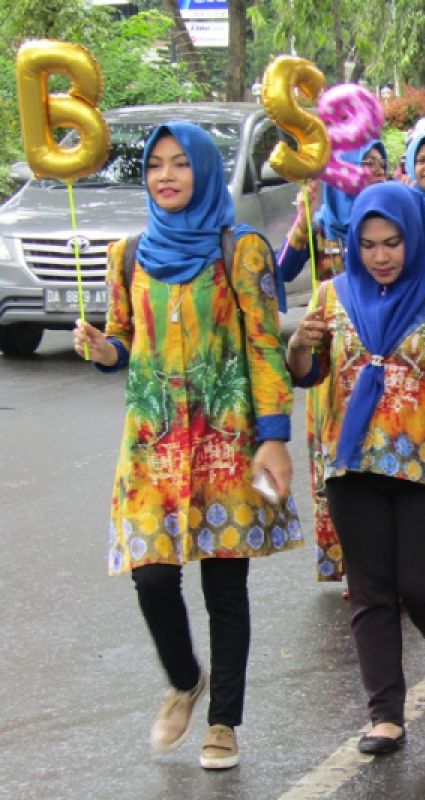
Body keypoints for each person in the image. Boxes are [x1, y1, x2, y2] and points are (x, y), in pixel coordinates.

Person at [73, 122, 301, 769]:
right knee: (151, 579)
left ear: (204, 171)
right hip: (151, 446)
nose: (166, 175)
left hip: (228, 446)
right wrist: (102, 349)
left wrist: (274, 438)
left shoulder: (243, 250)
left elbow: (263, 349)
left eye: (180, 164)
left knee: (225, 592)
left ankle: (223, 722)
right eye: (156, 165)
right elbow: (121, 341)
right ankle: (183, 678)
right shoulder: (129, 254)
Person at [285, 183, 425, 755]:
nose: (381, 256)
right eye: (370, 244)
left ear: (415, 238)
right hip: (352, 463)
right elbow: (306, 373)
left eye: (393, 243)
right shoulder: (331, 296)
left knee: (424, 585)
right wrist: (300, 345)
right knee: (371, 590)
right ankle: (385, 715)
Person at [277, 142, 388, 583]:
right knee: (335, 463)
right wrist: (306, 214)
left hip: (386, 351)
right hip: (331, 359)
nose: (366, 174)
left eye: (375, 165)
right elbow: (281, 272)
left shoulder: (395, 228)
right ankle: (350, 562)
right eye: (357, 166)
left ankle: (385, 563)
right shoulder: (320, 226)